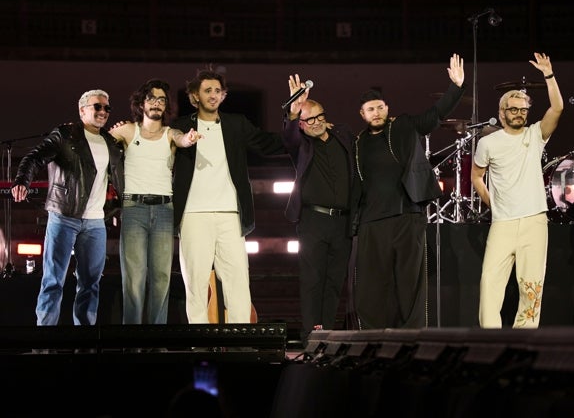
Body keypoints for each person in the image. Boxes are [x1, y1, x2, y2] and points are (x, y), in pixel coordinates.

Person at [350, 53, 466, 329]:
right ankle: (375, 337)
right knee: (372, 285)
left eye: (379, 107)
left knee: (410, 281)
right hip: (371, 221)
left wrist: (456, 87)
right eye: (370, 109)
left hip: (406, 215)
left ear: (387, 108)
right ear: (362, 114)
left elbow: (435, 115)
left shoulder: (403, 126)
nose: (376, 113)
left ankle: (413, 337)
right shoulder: (357, 143)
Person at [171, 66, 286, 324]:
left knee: (238, 281)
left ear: (223, 96)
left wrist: (293, 120)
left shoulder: (236, 124)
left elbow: (268, 144)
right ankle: (200, 343)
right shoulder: (179, 126)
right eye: (207, 90)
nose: (213, 95)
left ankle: (240, 341)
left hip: (230, 214)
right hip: (193, 215)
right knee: (195, 284)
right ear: (195, 96)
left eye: (217, 91)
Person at [11, 89, 124, 325]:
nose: (103, 111)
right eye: (97, 107)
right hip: (64, 217)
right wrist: (22, 180)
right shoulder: (65, 134)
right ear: (82, 110)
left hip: (95, 222)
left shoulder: (111, 143)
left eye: (107, 108)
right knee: (53, 281)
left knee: (90, 283)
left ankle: (84, 341)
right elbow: (34, 157)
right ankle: (44, 341)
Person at [471, 52, 563, 329]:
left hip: (534, 220)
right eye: (513, 109)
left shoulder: (535, 135)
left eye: (523, 110)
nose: (519, 114)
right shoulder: (488, 143)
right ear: (501, 112)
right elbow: (476, 177)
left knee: (532, 288)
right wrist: (491, 203)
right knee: (490, 284)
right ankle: (490, 341)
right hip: (503, 222)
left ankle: (524, 342)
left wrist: (549, 74)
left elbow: (557, 109)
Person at [109, 79, 201, 324]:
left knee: (161, 276)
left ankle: (156, 337)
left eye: (162, 100)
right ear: (141, 103)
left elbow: (182, 139)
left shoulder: (170, 134)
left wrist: (189, 138)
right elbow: (101, 143)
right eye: (152, 98)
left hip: (163, 210)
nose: (157, 104)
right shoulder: (128, 130)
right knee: (134, 277)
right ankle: (132, 338)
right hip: (133, 209)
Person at [282, 74, 356, 346]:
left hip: (343, 222)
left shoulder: (344, 136)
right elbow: (288, 136)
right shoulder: (302, 146)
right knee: (312, 281)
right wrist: (292, 109)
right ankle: (310, 337)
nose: (312, 123)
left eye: (316, 117)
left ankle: (329, 334)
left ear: (325, 115)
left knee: (335, 281)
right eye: (305, 120)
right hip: (313, 220)